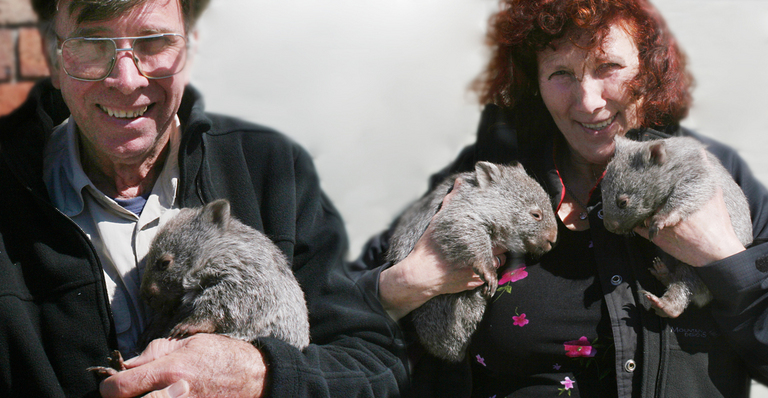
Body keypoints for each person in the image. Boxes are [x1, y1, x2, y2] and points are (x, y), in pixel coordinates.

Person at [352, 0, 768, 396]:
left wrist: (724, 258)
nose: (588, 101)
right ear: (533, 81)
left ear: (649, 71)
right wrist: (403, 284)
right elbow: (339, 321)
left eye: (609, 66)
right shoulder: (490, 176)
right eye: (561, 74)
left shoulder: (716, 175)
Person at [0, 0, 408, 396]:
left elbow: (375, 362)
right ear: (54, 61)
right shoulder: (10, 194)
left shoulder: (270, 169)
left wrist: (261, 376)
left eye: (154, 41)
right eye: (91, 43)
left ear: (190, 51)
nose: (126, 80)